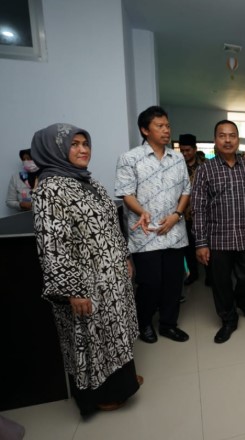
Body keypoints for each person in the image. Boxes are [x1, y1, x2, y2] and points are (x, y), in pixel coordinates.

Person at [30, 123, 142, 416]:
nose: (83, 150)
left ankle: (123, 383)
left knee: (114, 334)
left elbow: (111, 226)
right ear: (54, 149)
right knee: (93, 339)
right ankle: (101, 395)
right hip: (85, 283)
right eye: (74, 144)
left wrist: (124, 257)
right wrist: (72, 290)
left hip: (111, 277)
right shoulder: (50, 189)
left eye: (85, 143)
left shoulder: (88, 181)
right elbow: (53, 246)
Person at [115, 106, 190, 344]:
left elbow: (186, 191)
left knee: (173, 283)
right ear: (145, 130)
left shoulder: (177, 158)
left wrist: (177, 214)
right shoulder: (130, 158)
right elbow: (126, 194)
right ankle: (144, 322)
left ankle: (168, 324)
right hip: (145, 233)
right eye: (160, 126)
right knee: (150, 283)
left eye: (167, 125)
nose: (166, 130)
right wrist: (142, 211)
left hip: (174, 231)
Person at [191, 120, 245, 344]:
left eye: (232, 135)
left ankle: (241, 301)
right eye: (222, 135)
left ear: (238, 139)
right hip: (218, 239)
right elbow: (198, 208)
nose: (227, 140)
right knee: (221, 283)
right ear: (215, 140)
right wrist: (201, 243)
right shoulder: (205, 170)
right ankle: (229, 318)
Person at [179, 133, 205, 287]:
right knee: (188, 248)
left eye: (187, 150)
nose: (184, 153)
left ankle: (210, 275)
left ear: (195, 149)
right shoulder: (176, 166)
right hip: (185, 215)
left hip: (204, 215)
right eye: (182, 150)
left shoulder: (205, 165)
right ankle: (193, 274)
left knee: (207, 246)